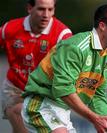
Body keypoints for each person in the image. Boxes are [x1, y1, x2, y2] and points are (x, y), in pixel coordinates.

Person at [21, 4, 107, 133]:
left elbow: (97, 94)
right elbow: (63, 89)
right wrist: (94, 118)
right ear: (102, 26)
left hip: (62, 112)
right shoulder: (75, 47)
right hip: (40, 104)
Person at [0, 0, 72, 132]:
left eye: (50, 9)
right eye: (41, 9)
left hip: (45, 92)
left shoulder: (63, 35)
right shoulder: (9, 29)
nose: (46, 14)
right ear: (29, 8)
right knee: (18, 111)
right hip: (16, 88)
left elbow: (69, 72)